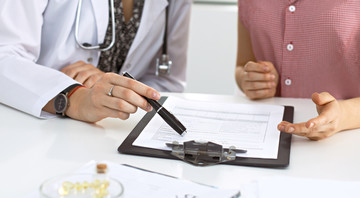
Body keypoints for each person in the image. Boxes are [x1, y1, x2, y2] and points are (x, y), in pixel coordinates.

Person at [0, 0, 191, 123]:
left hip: (113, 133)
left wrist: (117, 91)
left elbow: (167, 82)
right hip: (37, 127)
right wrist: (76, 97)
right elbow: (4, 56)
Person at [235, 1, 360, 140]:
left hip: (346, 140)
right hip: (268, 134)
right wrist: (253, 80)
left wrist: (343, 114)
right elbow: (241, 66)